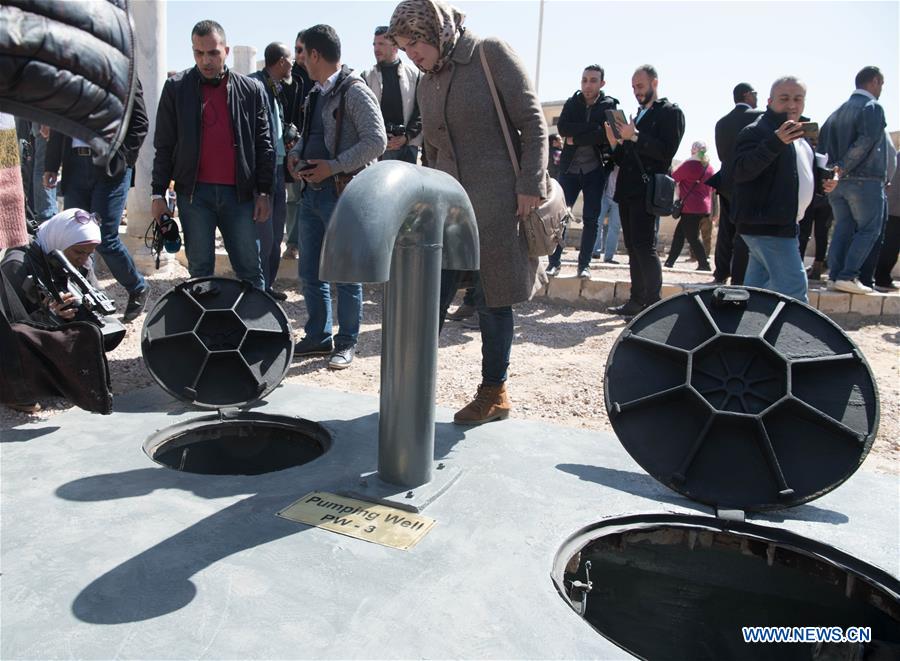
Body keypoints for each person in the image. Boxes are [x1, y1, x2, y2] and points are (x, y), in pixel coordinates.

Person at [388, 0, 547, 425]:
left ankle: (494, 393)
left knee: (494, 301)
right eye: (404, 48)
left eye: (415, 43)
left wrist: (531, 184)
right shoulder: (427, 82)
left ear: (434, 31)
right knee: (428, 299)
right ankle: (411, 390)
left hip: (499, 204)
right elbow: (434, 150)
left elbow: (533, 123)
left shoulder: (488, 53)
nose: (411, 55)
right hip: (447, 208)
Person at [286, 24, 386, 370]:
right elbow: (308, 134)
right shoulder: (315, 92)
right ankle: (318, 336)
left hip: (342, 194)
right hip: (311, 194)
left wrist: (334, 166)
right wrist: (296, 154)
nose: (299, 60)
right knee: (310, 272)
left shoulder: (354, 91)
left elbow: (377, 141)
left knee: (346, 273)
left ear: (315, 54)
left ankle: (346, 342)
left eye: (302, 52)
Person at [151, 20, 273, 290]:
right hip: (194, 197)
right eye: (199, 53)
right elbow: (164, 145)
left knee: (250, 270)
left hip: (239, 196)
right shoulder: (176, 88)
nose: (206, 60)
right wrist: (157, 194)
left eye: (213, 53)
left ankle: (258, 331)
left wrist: (264, 191)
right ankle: (204, 331)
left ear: (226, 51)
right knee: (200, 273)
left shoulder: (251, 90)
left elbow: (264, 144)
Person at [44, 79, 150, 323]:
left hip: (111, 168)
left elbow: (140, 123)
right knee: (72, 236)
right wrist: (51, 165)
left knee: (104, 237)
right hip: (75, 165)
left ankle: (137, 286)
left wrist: (123, 159)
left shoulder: (126, 74)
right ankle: (82, 297)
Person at [731, 76, 836, 303]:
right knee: (795, 294)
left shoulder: (800, 136)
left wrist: (822, 183)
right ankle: (797, 339)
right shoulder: (756, 131)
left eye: (798, 99)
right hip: (768, 226)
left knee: (756, 296)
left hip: (781, 224)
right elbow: (741, 171)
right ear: (769, 101)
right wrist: (776, 142)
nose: (791, 105)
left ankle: (745, 336)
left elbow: (793, 176)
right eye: (784, 98)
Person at [604, 65, 685, 317]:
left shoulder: (671, 113)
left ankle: (653, 303)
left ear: (654, 83)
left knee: (644, 245)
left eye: (640, 86)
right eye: (633, 87)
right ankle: (636, 301)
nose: (636, 91)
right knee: (631, 245)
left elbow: (665, 152)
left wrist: (635, 136)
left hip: (647, 190)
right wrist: (615, 141)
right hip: (628, 188)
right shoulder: (637, 115)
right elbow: (623, 157)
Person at [819, 66, 889, 295]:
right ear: (875, 81)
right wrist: (842, 168)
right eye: (881, 84)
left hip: (838, 184)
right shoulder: (872, 107)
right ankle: (848, 275)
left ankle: (836, 276)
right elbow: (866, 141)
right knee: (869, 229)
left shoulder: (837, 111)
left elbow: (823, 148)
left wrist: (833, 174)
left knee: (843, 227)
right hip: (864, 180)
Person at [546, 65, 618, 279]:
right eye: (585, 80)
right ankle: (554, 262)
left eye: (593, 80)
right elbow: (563, 129)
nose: (588, 85)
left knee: (591, 219)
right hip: (569, 170)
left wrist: (576, 138)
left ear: (601, 83)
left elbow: (608, 135)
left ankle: (584, 265)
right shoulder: (572, 102)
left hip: (595, 170)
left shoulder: (610, 105)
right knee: (560, 218)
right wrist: (593, 131)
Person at [250, 42, 294, 300]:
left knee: (277, 233)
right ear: (279, 62)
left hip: (278, 168)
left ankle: (267, 286)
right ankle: (258, 288)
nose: (293, 64)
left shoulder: (276, 88)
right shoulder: (255, 85)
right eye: (289, 59)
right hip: (262, 172)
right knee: (263, 237)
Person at [712, 82, 762, 285]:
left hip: (725, 181)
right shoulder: (758, 118)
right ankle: (740, 274)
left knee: (726, 228)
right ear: (747, 95)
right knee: (745, 229)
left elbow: (721, 155)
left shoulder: (721, 122)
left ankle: (721, 271)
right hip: (749, 181)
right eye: (755, 94)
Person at [362, 25, 422, 164]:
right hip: (379, 149)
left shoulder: (415, 74)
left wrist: (406, 136)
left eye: (381, 44)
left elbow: (421, 111)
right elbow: (364, 115)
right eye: (374, 44)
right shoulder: (366, 77)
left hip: (409, 147)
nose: (376, 49)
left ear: (395, 47)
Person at [281, 32, 315, 262]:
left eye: (302, 49)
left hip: (317, 148)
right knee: (293, 198)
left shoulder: (320, 76)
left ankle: (315, 244)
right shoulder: (287, 78)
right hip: (293, 148)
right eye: (297, 50)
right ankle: (292, 244)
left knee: (315, 199)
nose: (299, 55)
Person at [664, 141, 714, 271]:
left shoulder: (690, 165)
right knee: (680, 234)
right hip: (704, 207)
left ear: (693, 150)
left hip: (690, 207)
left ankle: (704, 264)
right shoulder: (709, 167)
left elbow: (674, 177)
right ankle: (670, 262)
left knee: (692, 237)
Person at [874, 147, 900, 291]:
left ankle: (881, 276)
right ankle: (881, 278)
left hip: (892, 206)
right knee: (890, 246)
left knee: (889, 245)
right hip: (895, 209)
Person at [592, 166, 621, 263]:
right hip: (605, 195)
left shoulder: (628, 164)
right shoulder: (610, 162)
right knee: (597, 222)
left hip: (619, 199)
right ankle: (594, 251)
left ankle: (609, 257)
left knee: (615, 227)